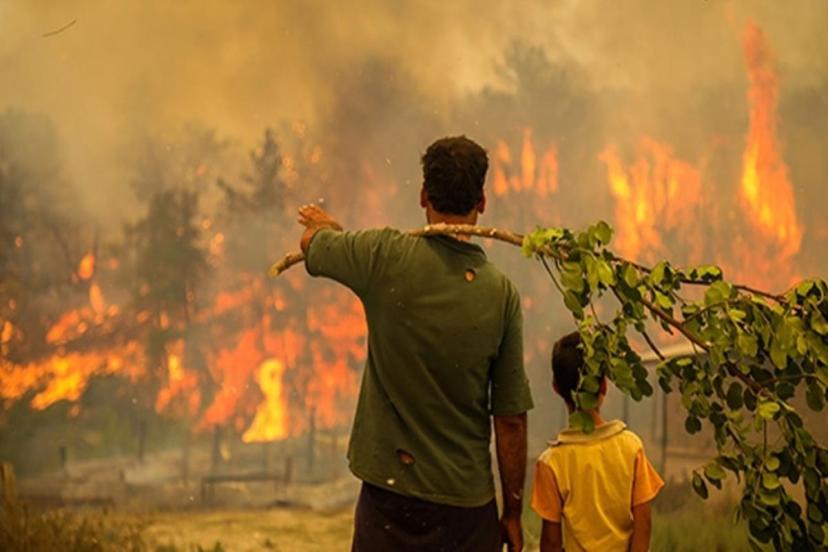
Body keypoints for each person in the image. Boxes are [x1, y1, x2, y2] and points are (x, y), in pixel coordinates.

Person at [297, 135, 533, 552]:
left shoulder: (382, 256)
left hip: (390, 503)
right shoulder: (502, 295)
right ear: (481, 201)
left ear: (423, 194)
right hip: (466, 511)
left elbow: (312, 245)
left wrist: (324, 229)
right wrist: (513, 513)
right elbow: (510, 419)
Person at [531, 332, 664, 552]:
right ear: (604, 385)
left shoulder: (551, 463)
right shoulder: (631, 447)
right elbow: (644, 522)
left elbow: (552, 543)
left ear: (555, 387)